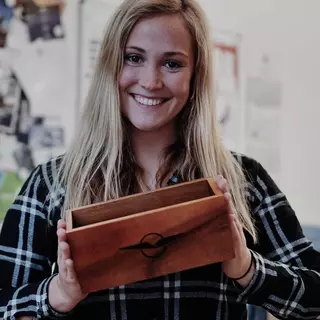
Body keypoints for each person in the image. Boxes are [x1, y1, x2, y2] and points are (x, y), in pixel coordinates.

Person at [0, 0, 320, 319]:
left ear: (196, 75)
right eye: (134, 58)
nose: (151, 81)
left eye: (172, 64)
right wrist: (57, 294)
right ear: (111, 65)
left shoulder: (245, 179)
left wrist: (247, 267)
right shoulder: (51, 183)